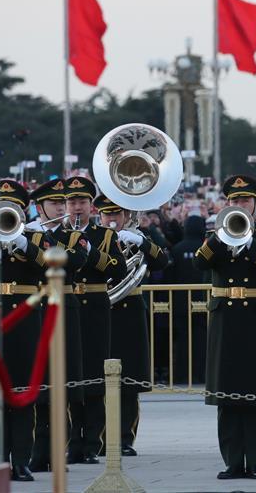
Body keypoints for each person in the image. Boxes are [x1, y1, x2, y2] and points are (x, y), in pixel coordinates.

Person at [193, 175, 256, 480]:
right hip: (225, 320)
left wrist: (250, 243)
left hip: (255, 319)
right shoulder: (215, 236)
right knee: (226, 393)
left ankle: (255, 460)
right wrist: (220, 239)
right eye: (234, 200)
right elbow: (199, 263)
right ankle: (232, 460)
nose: (239, 204)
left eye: (245, 200)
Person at [95, 194, 170, 457]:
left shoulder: (139, 238)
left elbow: (162, 261)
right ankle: (98, 438)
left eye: (116, 214)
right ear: (99, 216)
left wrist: (142, 243)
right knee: (98, 380)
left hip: (130, 313)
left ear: (127, 215)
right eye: (107, 214)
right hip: (99, 313)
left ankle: (125, 438)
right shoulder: (91, 238)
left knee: (128, 381)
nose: (112, 218)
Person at [64, 177, 127, 465]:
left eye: (82, 202)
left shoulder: (105, 236)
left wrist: (91, 253)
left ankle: (92, 443)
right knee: (69, 375)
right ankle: (71, 442)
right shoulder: (56, 235)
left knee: (94, 375)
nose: (77, 208)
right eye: (72, 202)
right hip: (67, 307)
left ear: (91, 206)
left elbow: (118, 268)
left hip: (95, 309)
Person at [27, 177, 87, 473]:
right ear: (40, 207)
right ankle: (35, 452)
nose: (62, 208)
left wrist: (37, 242)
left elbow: (72, 261)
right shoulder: (25, 233)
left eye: (63, 203)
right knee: (36, 381)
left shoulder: (73, 236)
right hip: (33, 311)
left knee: (61, 384)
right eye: (55, 203)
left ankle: (57, 450)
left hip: (63, 311)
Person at [0, 180, 46, 482]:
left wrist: (23, 245)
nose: (6, 211)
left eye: (12, 207)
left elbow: (51, 266)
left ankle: (22, 460)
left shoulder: (35, 237)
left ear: (23, 210)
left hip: (25, 320)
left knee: (24, 391)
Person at [166, 213, 211, 384]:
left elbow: (170, 276)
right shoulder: (206, 248)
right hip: (204, 301)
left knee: (182, 340)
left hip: (180, 302)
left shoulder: (177, 249)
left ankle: (181, 375)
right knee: (202, 338)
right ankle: (202, 375)